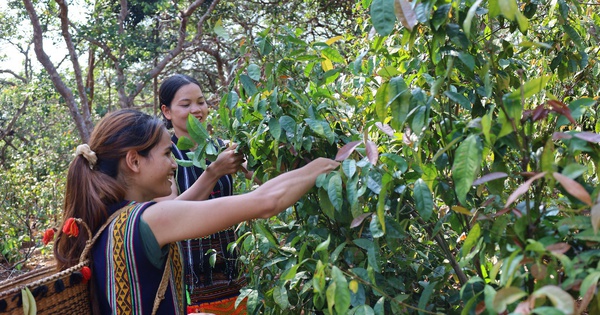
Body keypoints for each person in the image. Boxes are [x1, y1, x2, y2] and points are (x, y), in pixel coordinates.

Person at [53, 109, 339, 314]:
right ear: (134, 161)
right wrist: (325, 165)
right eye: (167, 154)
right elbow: (266, 202)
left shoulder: (111, 220)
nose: (174, 165)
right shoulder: (151, 218)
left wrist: (213, 172)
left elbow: (185, 204)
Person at [159, 74, 250, 314]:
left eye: (201, 102)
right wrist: (214, 172)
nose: (197, 110)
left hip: (238, 275)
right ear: (167, 111)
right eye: (186, 104)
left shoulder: (222, 148)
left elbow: (263, 174)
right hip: (194, 285)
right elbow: (170, 215)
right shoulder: (166, 158)